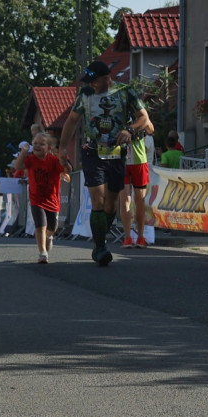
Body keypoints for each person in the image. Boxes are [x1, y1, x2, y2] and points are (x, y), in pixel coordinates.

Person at [59, 59, 153, 266]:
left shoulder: (126, 92)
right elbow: (72, 120)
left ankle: (100, 240)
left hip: (118, 153)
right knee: (98, 201)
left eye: (95, 80)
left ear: (106, 78)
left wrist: (129, 130)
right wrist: (62, 148)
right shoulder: (85, 94)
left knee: (111, 205)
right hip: (92, 151)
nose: (91, 84)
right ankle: (100, 247)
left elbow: (144, 118)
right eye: (89, 81)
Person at [13, 131, 70, 263]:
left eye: (42, 144)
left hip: (52, 199)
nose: (38, 146)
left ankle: (49, 237)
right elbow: (18, 166)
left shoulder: (53, 161)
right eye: (35, 143)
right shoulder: (30, 160)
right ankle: (42, 253)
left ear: (49, 148)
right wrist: (23, 152)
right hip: (36, 199)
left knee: (52, 227)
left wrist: (64, 165)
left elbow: (67, 169)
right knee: (40, 226)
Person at [121, 121, 154, 248]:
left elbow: (151, 129)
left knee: (139, 200)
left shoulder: (139, 112)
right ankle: (128, 237)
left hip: (138, 160)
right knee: (126, 200)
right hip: (123, 160)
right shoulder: (119, 108)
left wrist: (143, 121)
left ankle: (139, 237)